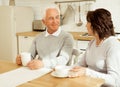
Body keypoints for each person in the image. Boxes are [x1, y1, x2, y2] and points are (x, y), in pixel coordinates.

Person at [69, 8, 120, 87]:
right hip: (90, 84)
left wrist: (87, 72)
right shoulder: (92, 42)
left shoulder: (113, 45)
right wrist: (65, 69)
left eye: (88, 22)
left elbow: (114, 80)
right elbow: (81, 64)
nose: (86, 25)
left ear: (96, 24)